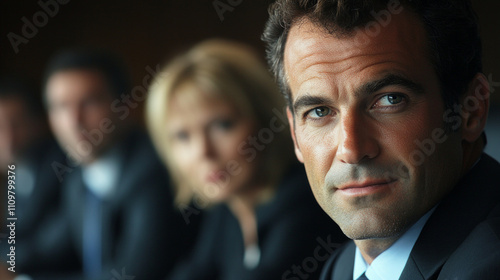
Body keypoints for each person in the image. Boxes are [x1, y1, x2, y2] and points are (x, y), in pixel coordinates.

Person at [262, 0, 500, 279]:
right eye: (319, 111)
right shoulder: (344, 267)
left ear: (471, 109)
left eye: (390, 99)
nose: (351, 149)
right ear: (294, 134)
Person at [146, 39, 346, 280]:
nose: (203, 152)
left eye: (222, 125)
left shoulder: (303, 201)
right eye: (182, 136)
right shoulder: (227, 211)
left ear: (263, 118)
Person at [11, 49, 193, 280]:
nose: (73, 121)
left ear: (125, 107)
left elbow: (133, 274)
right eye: (60, 106)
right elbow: (48, 247)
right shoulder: (77, 175)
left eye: (90, 102)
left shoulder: (153, 171)